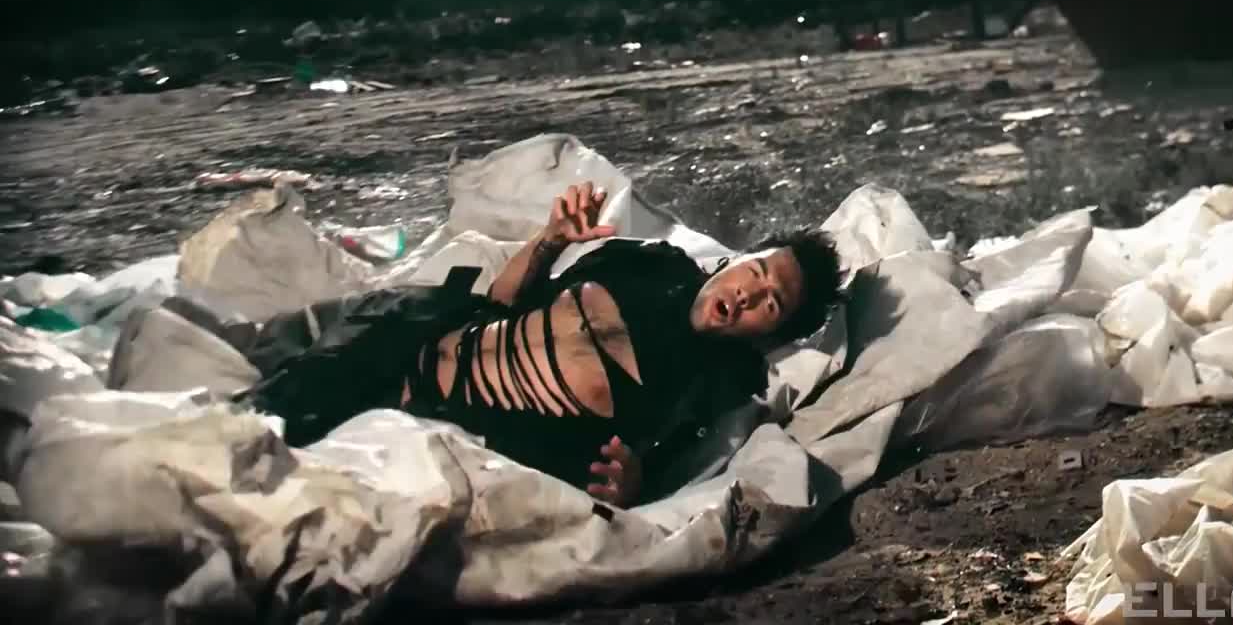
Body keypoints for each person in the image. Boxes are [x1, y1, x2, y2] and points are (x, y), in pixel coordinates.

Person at [228, 182, 844, 506]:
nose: (750, 294)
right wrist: (551, 240)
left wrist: (636, 482)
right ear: (735, 261)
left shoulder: (716, 383)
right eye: (757, 272)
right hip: (398, 349)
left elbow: (669, 462)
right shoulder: (649, 263)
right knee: (234, 437)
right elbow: (504, 303)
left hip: (440, 433)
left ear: (771, 333)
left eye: (772, 304)